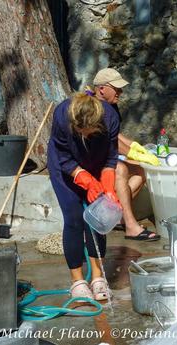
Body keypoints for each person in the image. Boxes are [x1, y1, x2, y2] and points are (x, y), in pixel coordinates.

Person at [47, 91, 120, 300]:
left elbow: (111, 158)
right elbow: (63, 156)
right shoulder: (62, 115)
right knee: (74, 219)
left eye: (90, 132)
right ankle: (78, 281)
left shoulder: (111, 117)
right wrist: (85, 180)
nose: (85, 136)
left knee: (98, 219)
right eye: (81, 132)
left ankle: (98, 277)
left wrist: (107, 187)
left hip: (98, 165)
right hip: (65, 168)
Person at [92, 68, 161, 241]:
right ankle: (131, 226)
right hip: (90, 159)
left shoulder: (111, 107)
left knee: (141, 170)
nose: (120, 92)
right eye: (116, 88)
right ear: (101, 89)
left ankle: (117, 217)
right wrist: (134, 154)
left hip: (105, 155)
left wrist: (136, 146)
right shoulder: (94, 108)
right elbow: (110, 141)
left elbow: (115, 134)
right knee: (121, 169)